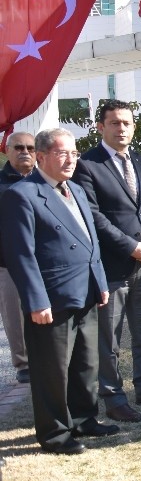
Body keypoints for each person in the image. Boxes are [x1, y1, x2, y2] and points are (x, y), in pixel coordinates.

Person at [1, 129, 116, 454]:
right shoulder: (22, 195)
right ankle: (55, 434)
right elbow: (20, 254)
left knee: (86, 363)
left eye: (75, 153)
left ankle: (84, 419)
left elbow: (90, 239)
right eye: (62, 153)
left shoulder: (76, 189)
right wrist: (36, 301)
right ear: (41, 157)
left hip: (85, 292)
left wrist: (100, 282)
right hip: (50, 299)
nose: (71, 160)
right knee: (52, 370)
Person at [74, 101, 141, 423]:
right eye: (114, 123)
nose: (121, 129)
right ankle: (113, 396)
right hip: (112, 268)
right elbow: (94, 217)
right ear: (101, 127)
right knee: (110, 340)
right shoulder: (88, 165)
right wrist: (131, 246)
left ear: (134, 127)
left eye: (127, 123)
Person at [0, 132, 36, 384]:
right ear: (7, 151)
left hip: (45, 260)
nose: (25, 152)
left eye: (31, 148)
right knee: (14, 313)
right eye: (19, 147)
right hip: (9, 262)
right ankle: (23, 363)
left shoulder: (46, 181)